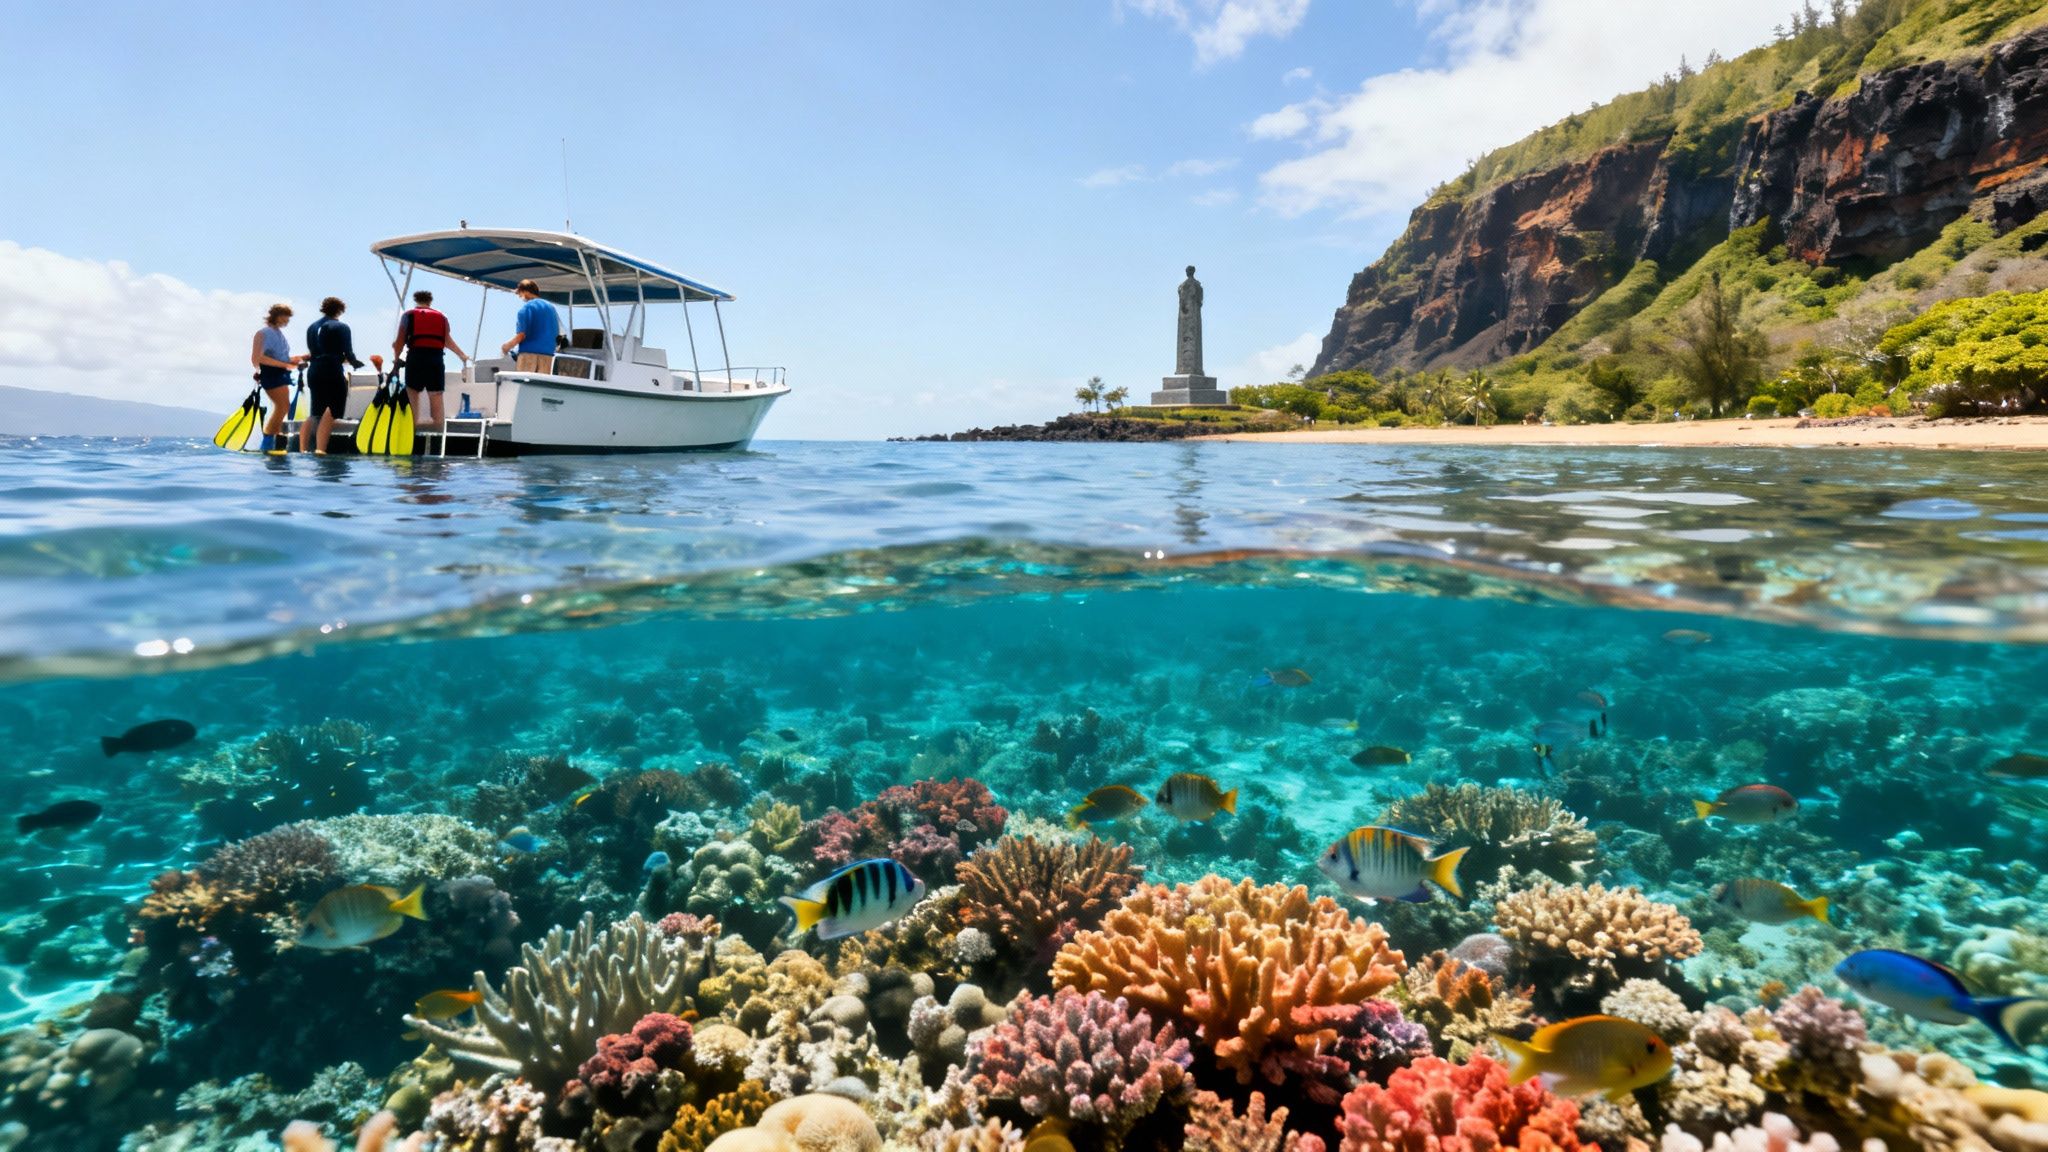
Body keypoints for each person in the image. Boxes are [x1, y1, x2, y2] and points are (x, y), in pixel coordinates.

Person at [392, 289, 469, 433]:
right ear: (430, 301)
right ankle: (439, 433)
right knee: (436, 395)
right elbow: (447, 340)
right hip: (436, 359)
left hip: (416, 357)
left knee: (413, 394)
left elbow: (399, 343)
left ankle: (411, 433)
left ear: (416, 301)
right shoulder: (442, 317)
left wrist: (396, 362)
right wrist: (462, 355)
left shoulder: (408, 315)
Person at [301, 297, 364, 455]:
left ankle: (302, 450)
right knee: (333, 410)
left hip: (314, 370)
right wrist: (356, 363)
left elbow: (315, 350)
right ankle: (320, 449)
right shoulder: (342, 327)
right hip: (331, 370)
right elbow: (348, 352)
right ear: (340, 310)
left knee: (315, 412)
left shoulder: (312, 327)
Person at [250, 303, 305, 454]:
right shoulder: (263, 333)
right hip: (271, 374)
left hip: (281, 373)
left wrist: (294, 360)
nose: (287, 320)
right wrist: (284, 365)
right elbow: (257, 358)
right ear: (277, 316)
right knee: (282, 407)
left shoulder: (278, 334)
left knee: (284, 407)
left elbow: (281, 356)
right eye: (286, 317)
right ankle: (267, 442)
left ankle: (274, 439)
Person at [500, 279, 559, 373]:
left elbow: (521, 335)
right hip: (548, 355)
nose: (520, 296)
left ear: (525, 291)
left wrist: (507, 346)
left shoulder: (526, 308)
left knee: (525, 385)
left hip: (529, 355)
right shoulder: (551, 308)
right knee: (541, 386)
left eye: (520, 293)